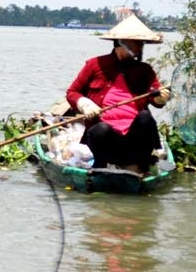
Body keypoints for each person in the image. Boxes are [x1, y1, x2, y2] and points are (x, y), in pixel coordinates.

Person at [65, 15, 171, 169]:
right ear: (121, 43)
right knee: (101, 129)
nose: (141, 48)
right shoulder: (95, 65)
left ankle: (138, 165)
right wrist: (85, 104)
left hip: (133, 142)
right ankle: (102, 167)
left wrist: (161, 98)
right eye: (137, 43)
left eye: (142, 44)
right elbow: (72, 92)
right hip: (105, 139)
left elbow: (155, 97)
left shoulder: (145, 70)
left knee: (145, 117)